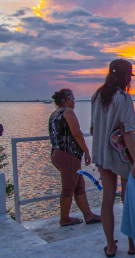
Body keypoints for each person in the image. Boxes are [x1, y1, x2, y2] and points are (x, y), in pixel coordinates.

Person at [91, 59, 135, 257]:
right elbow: (128, 131)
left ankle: (110, 246)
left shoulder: (97, 96)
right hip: (121, 153)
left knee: (107, 200)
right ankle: (132, 245)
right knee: (128, 199)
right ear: (126, 77)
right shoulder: (124, 98)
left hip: (103, 153)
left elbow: (93, 128)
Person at [48, 89, 101, 226]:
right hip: (68, 154)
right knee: (68, 188)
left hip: (57, 153)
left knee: (79, 186)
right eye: (73, 100)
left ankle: (88, 215)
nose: (74, 103)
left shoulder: (54, 115)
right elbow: (77, 133)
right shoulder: (67, 112)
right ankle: (64, 218)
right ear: (67, 100)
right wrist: (86, 152)